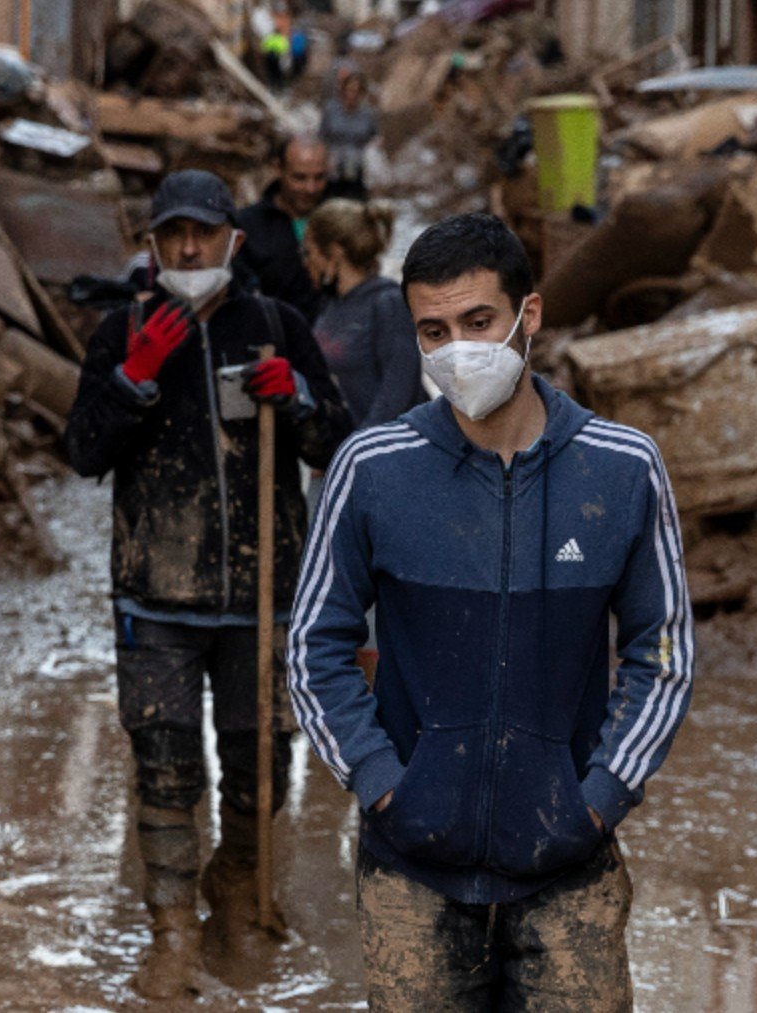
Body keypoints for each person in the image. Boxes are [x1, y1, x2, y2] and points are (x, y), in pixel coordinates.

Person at [289, 213, 694, 1010]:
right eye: (432, 331)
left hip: (569, 872)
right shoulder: (373, 469)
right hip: (412, 875)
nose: (457, 349)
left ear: (528, 315)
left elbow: (664, 654)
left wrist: (601, 795)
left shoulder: (622, 469)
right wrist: (380, 783)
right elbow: (313, 648)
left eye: (478, 321)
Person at [64, 169, 353, 999]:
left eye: (204, 232)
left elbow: (339, 438)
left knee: (260, 758)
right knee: (163, 758)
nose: (189, 247)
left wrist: (295, 398)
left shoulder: (276, 325)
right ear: (152, 246)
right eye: (172, 234)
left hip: (263, 592)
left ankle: (235, 883)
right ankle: (171, 931)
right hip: (156, 591)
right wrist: (131, 381)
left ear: (233, 238)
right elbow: (83, 451)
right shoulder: (120, 330)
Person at [303, 198, 425, 429]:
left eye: (309, 252)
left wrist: (361, 451)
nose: (306, 262)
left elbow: (398, 395)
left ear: (334, 252)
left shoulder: (387, 302)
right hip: (344, 451)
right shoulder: (331, 305)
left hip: (385, 451)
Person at [238, 135, 330, 324]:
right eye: (300, 178)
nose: (310, 188)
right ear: (278, 169)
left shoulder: (339, 220)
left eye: (319, 177)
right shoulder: (248, 225)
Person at [320, 71, 378, 198]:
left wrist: (373, 146)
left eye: (357, 91)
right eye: (350, 90)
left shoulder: (367, 114)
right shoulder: (331, 110)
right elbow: (322, 136)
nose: (352, 95)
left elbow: (375, 136)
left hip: (356, 162)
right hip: (333, 161)